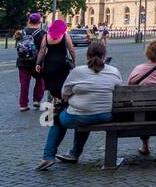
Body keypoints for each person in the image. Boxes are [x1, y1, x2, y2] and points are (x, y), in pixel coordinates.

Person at [38, 39, 120, 169]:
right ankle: (74, 153)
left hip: (81, 115)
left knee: (57, 119)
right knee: (83, 114)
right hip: (106, 115)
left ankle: (48, 156)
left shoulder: (78, 72)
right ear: (104, 55)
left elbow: (64, 93)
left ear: (87, 55)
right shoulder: (114, 71)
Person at [35, 19, 77, 101]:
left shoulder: (46, 37)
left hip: (49, 63)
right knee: (62, 82)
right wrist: (74, 60)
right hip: (62, 63)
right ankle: (61, 100)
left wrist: (38, 63)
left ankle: (54, 99)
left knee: (51, 83)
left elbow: (41, 51)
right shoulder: (65, 36)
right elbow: (71, 49)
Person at [16, 13, 47, 111]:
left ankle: (23, 104)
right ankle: (37, 100)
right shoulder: (42, 33)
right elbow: (44, 49)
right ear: (39, 21)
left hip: (22, 61)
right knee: (40, 80)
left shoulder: (21, 32)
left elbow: (18, 46)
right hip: (37, 61)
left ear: (29, 20)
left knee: (24, 84)